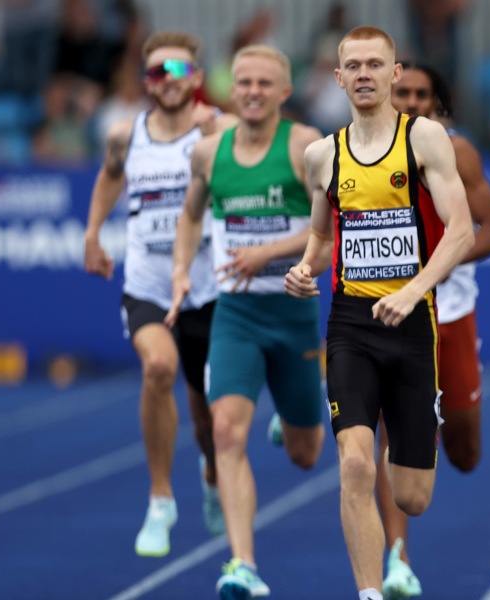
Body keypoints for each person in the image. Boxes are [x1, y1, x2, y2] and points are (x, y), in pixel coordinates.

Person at [284, 27, 474, 600]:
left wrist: (414, 290)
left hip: (413, 324)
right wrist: (303, 269)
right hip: (350, 327)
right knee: (356, 465)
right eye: (353, 66)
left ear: (395, 74)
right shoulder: (323, 155)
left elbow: (462, 231)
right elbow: (321, 240)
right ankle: (369, 592)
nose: (364, 74)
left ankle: (414, 437)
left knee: (412, 496)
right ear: (337, 77)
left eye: (375, 64)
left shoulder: (425, 140)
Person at [167, 43, 327, 600]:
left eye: (265, 83)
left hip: (293, 315)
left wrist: (270, 253)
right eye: (244, 83)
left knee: (307, 455)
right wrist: (182, 269)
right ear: (231, 91)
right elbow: (190, 217)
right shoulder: (209, 154)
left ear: (285, 92)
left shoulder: (306, 147)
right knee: (226, 431)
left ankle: (294, 412)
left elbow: (328, 238)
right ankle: (242, 565)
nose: (253, 92)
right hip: (235, 316)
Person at [82, 30, 236, 558]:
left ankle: (214, 477)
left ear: (196, 78)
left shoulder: (215, 131)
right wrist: (92, 234)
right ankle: (161, 500)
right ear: (146, 82)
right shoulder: (127, 135)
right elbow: (108, 177)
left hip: (206, 288)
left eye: (177, 72)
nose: (166, 82)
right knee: (157, 369)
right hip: (148, 284)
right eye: (156, 73)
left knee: (208, 418)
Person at [374, 60, 490, 598]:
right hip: (389, 315)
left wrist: (444, 261)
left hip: (449, 315)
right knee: (391, 432)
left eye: (421, 95)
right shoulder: (361, 152)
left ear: (438, 104)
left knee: (465, 452)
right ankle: (397, 558)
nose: (409, 102)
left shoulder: (459, 152)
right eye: (400, 92)